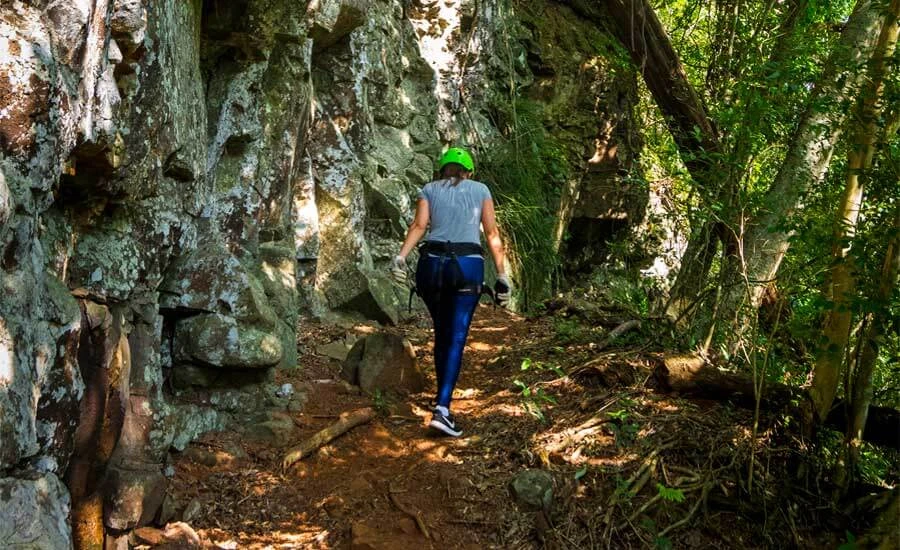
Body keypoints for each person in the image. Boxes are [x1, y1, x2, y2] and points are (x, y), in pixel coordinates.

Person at [391, 147, 511, 437]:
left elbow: (420, 225)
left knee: (441, 331)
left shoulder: (429, 189)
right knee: (455, 337)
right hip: (466, 266)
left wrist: (401, 257)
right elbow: (492, 233)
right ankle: (443, 409)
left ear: (442, 169)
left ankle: (441, 397)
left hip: (430, 265)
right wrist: (503, 275)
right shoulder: (480, 189)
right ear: (468, 171)